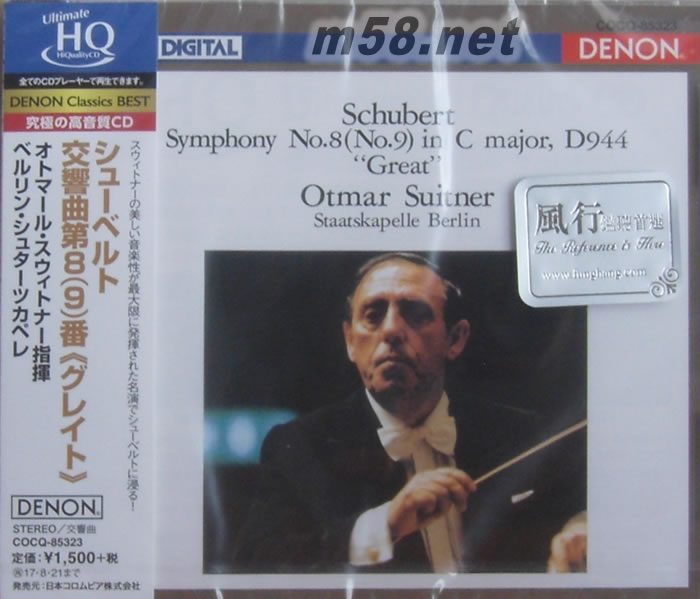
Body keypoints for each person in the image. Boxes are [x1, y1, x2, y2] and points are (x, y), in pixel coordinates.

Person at [233, 252, 586, 573]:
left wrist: (579, 531)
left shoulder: (521, 435)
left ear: (455, 339)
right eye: (373, 316)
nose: (391, 330)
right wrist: (387, 523)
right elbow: (260, 568)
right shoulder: (298, 449)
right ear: (350, 341)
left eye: (415, 315)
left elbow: (581, 508)